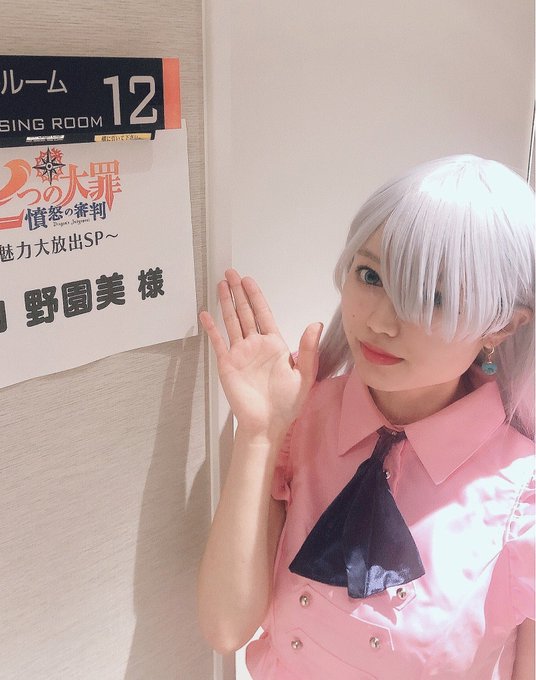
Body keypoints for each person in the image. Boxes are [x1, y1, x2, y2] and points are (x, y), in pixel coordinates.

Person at [198, 155, 535, 679]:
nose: (380, 321)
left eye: (433, 296)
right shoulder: (303, 420)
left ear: (502, 326)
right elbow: (225, 628)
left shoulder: (522, 491)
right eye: (371, 275)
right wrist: (260, 434)